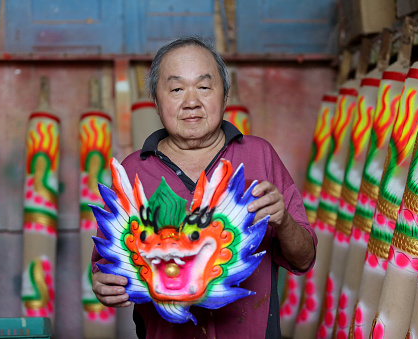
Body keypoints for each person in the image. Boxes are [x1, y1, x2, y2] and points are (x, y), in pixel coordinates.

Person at [91, 36, 317, 338]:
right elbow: (105, 268)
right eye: (176, 89)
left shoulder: (259, 156)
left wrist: (284, 221)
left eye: (204, 86)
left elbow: (304, 259)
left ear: (225, 95)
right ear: (156, 102)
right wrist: (103, 285)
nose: (191, 101)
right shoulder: (133, 172)